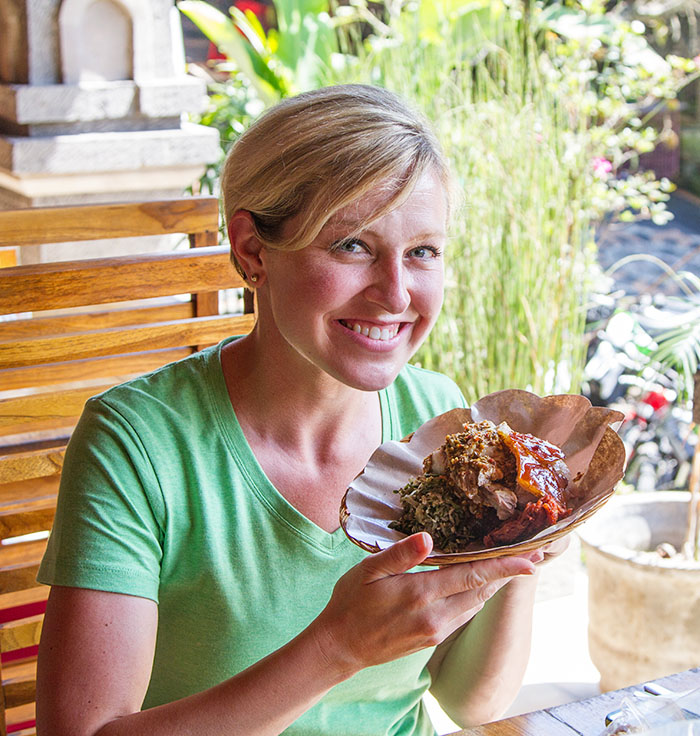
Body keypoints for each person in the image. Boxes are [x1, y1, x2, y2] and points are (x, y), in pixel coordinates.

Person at [36, 84, 567, 736]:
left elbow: (469, 703)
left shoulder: (441, 423)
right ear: (252, 251)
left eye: (423, 251)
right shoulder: (140, 444)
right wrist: (336, 647)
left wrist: (525, 543)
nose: (395, 293)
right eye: (352, 246)